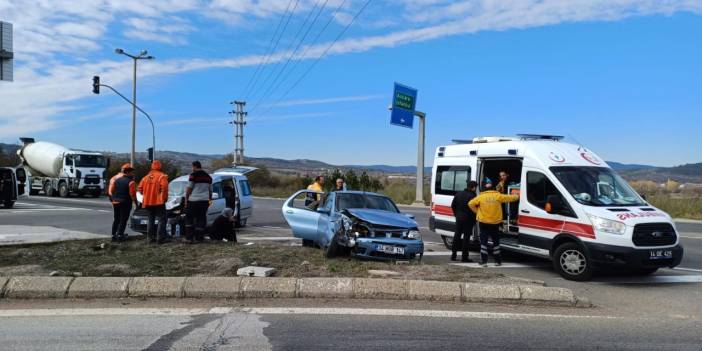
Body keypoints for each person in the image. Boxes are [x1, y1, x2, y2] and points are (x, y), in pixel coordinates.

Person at [468, 177, 519, 267]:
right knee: (496, 242)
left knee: (484, 241)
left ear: (484, 188)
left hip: (483, 222)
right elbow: (510, 198)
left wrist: (477, 212)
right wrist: (518, 196)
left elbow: (470, 203)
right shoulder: (497, 196)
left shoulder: (481, 197)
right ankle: (497, 261)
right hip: (495, 223)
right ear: (492, 188)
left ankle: (484, 262)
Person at [138, 161, 170, 244]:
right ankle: (160, 238)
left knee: (151, 219)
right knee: (162, 219)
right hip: (158, 202)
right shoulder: (162, 177)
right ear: (160, 167)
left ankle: (150, 238)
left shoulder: (145, 177)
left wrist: (147, 194)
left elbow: (140, 189)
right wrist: (164, 198)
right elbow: (165, 189)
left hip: (148, 202)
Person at [450, 180, 478, 262]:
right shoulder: (473, 195)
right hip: (469, 219)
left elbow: (453, 205)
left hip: (459, 218)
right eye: (475, 187)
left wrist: (456, 215)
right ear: (473, 187)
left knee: (457, 236)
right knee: (466, 238)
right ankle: (464, 257)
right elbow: (475, 207)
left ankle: (453, 255)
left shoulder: (458, 194)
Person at [185, 161, 212, 243]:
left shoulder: (193, 175)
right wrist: (209, 199)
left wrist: (186, 198)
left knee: (189, 218)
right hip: (204, 201)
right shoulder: (208, 177)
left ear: (194, 166)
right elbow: (210, 191)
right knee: (201, 219)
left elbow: (189, 188)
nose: (192, 169)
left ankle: (189, 238)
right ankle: (199, 238)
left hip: (193, 200)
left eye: (192, 167)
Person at [108, 163, 136, 242]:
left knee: (116, 219)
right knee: (123, 219)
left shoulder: (116, 179)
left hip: (116, 202)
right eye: (131, 172)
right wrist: (136, 203)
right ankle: (120, 235)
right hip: (125, 203)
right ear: (127, 172)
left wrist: (113, 199)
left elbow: (111, 191)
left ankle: (113, 235)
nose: (132, 173)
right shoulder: (131, 182)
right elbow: (132, 194)